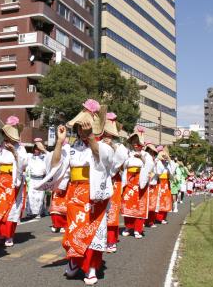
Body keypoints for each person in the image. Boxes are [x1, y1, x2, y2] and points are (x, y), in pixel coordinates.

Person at [39, 100, 115, 286]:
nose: (81, 130)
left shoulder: (103, 146)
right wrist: (58, 142)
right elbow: (54, 164)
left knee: (93, 233)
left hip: (94, 195)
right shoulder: (71, 148)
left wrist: (90, 138)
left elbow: (103, 158)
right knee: (73, 231)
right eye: (79, 127)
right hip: (74, 195)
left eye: (85, 126)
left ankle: (90, 267)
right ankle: (74, 261)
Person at [0, 116, 28, 248]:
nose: (6, 137)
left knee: (11, 208)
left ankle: (9, 235)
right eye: (5, 134)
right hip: (1, 179)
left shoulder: (20, 148)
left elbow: (24, 163)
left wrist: (14, 152)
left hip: (14, 179)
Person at [121, 127, 154, 239]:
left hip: (140, 182)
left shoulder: (146, 155)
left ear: (141, 144)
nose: (135, 145)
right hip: (129, 181)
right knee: (128, 205)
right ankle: (128, 226)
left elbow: (150, 166)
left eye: (137, 142)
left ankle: (138, 229)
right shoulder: (128, 153)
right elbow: (122, 165)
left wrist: (142, 158)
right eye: (134, 142)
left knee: (139, 206)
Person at [102, 112, 128, 253]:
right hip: (98, 180)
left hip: (113, 182)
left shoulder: (119, 146)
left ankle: (111, 240)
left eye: (110, 132)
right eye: (105, 131)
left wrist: (112, 145)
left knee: (112, 211)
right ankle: (97, 239)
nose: (107, 134)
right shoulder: (96, 143)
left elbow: (122, 159)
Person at [25, 138, 48, 219]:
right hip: (32, 179)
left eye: (38, 149)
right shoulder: (29, 156)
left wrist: (43, 148)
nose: (37, 150)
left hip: (41, 179)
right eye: (36, 149)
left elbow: (50, 156)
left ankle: (38, 213)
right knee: (30, 196)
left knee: (40, 197)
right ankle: (29, 212)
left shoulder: (44, 156)